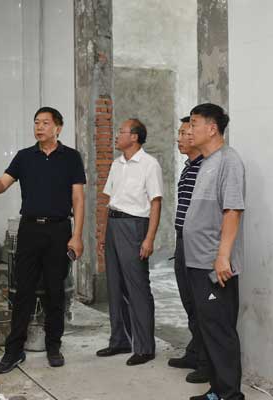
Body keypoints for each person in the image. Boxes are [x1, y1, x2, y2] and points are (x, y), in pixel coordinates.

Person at [0, 107, 86, 373]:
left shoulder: (71, 157)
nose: (39, 127)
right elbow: (2, 185)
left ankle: (53, 346)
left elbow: (78, 199)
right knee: (22, 291)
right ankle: (14, 351)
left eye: (45, 123)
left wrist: (77, 236)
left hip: (59, 230)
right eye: (36, 123)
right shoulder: (24, 157)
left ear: (58, 128)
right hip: (29, 230)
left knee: (55, 291)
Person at [184, 103, 246, 400]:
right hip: (197, 261)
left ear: (212, 128)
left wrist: (222, 257)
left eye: (194, 123)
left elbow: (232, 210)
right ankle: (217, 391)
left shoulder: (228, 161)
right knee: (209, 330)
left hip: (214, 265)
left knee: (220, 332)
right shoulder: (206, 162)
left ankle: (231, 395)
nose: (189, 129)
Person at [96, 118, 163, 366]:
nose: (117, 135)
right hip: (114, 225)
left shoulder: (149, 164)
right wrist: (103, 235)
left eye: (121, 131)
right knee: (115, 286)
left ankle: (145, 348)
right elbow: (109, 201)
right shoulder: (117, 164)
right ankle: (120, 340)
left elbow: (156, 202)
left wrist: (149, 238)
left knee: (137, 288)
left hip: (135, 226)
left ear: (134, 137)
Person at [167, 116, 209, 384]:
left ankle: (206, 362)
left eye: (185, 132)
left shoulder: (206, 167)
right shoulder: (189, 167)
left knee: (201, 304)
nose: (180, 138)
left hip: (198, 243)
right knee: (188, 301)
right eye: (180, 132)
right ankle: (194, 352)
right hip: (182, 239)